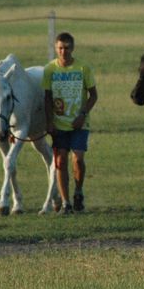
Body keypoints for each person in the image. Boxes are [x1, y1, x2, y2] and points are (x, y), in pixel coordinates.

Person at [43, 32, 98, 214]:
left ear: (72, 48)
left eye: (66, 48)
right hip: (59, 124)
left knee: (78, 159)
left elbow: (93, 95)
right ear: (55, 48)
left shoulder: (83, 68)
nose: (63, 51)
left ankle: (78, 191)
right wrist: (49, 122)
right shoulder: (50, 70)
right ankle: (66, 203)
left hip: (79, 123)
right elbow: (47, 98)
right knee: (60, 162)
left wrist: (82, 115)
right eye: (60, 48)